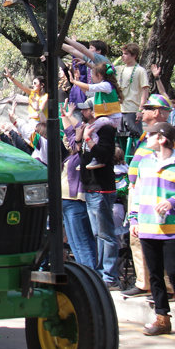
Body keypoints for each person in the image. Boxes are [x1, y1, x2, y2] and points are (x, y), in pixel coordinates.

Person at [130, 122, 175, 337]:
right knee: (155, 275)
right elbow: (138, 194)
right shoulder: (144, 163)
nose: (145, 139)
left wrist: (174, 202)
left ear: (161, 138)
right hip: (147, 226)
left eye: (150, 135)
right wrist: (134, 219)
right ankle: (162, 317)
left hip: (172, 228)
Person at [122, 93, 173, 298]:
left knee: (158, 238)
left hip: (155, 192)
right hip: (137, 191)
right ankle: (144, 282)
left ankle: (166, 286)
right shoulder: (145, 136)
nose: (142, 112)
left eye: (146, 109)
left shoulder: (166, 136)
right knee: (136, 237)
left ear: (157, 112)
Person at [77, 99, 119, 289]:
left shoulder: (106, 129)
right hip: (90, 188)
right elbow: (85, 159)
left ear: (93, 111)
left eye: (85, 110)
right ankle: (101, 273)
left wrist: (87, 139)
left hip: (102, 188)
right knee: (97, 234)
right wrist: (79, 140)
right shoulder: (90, 129)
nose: (82, 114)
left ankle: (109, 276)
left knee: (105, 234)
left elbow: (102, 155)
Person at [61, 100, 98, 271]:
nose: (68, 141)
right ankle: (85, 273)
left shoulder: (85, 152)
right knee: (74, 242)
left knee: (82, 241)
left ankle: (90, 274)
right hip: (65, 201)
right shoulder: (72, 153)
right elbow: (70, 133)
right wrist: (65, 116)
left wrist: (73, 122)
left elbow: (76, 132)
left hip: (76, 201)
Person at [119, 43, 150, 136]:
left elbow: (145, 91)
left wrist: (140, 109)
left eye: (126, 54)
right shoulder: (119, 69)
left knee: (135, 137)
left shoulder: (140, 70)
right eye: (122, 53)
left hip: (132, 110)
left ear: (134, 56)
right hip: (119, 110)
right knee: (120, 138)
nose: (122, 56)